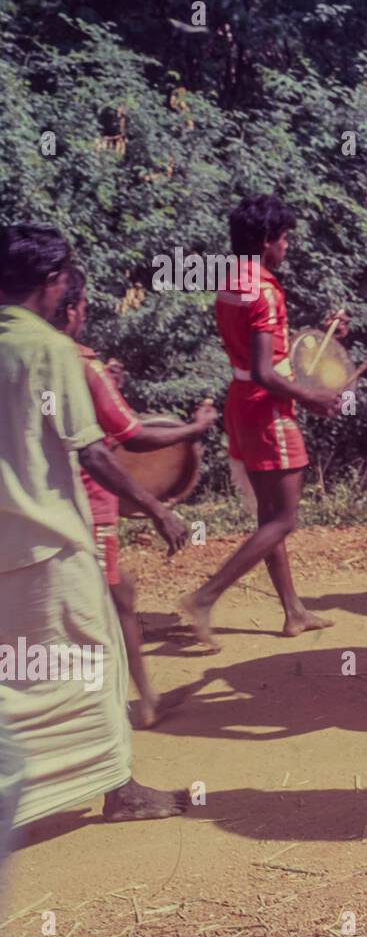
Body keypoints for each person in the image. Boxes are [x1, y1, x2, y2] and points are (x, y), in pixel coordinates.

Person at [0, 224, 189, 825]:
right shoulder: (49, 350)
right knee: (93, 658)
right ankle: (119, 788)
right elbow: (94, 452)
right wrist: (158, 508)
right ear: (53, 282)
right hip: (49, 541)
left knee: (18, 669)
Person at [54, 266, 217, 727]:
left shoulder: (24, 356)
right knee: (107, 604)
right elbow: (133, 437)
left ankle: (145, 698)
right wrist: (196, 429)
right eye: (83, 307)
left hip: (39, 507)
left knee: (119, 595)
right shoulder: (83, 365)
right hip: (86, 506)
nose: (85, 316)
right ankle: (121, 710)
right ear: (70, 309)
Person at [181, 196, 343, 647]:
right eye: (285, 238)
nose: (287, 246)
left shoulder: (231, 282)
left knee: (270, 516)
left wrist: (315, 336)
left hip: (243, 406)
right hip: (268, 410)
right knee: (284, 520)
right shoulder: (266, 290)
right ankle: (205, 596)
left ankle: (293, 610)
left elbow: (259, 355)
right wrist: (311, 396)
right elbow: (266, 372)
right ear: (267, 241)